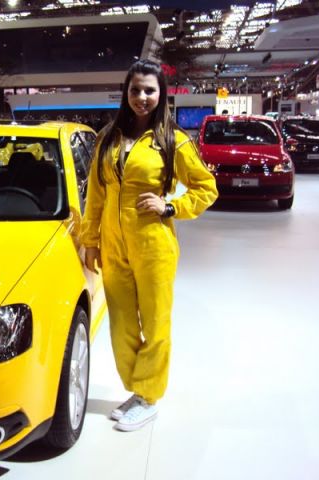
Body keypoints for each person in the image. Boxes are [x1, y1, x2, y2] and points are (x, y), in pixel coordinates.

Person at [80, 59, 218, 432]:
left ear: (161, 94)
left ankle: (149, 396)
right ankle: (137, 389)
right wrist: (91, 241)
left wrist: (171, 206)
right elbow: (95, 195)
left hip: (154, 244)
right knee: (122, 326)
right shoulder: (108, 137)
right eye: (136, 89)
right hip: (113, 246)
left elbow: (206, 187)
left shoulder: (173, 139)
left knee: (156, 324)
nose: (142, 97)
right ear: (126, 93)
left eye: (150, 90)